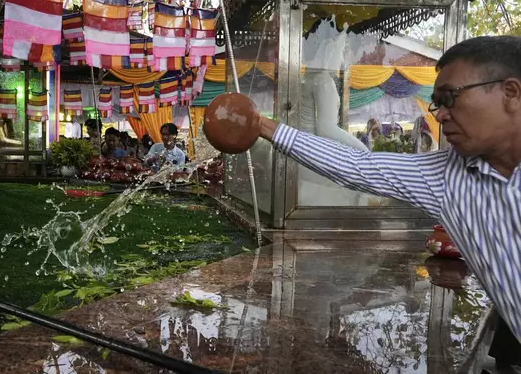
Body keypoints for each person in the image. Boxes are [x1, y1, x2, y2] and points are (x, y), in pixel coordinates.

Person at [213, 36, 521, 361]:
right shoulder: (446, 176)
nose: (441, 115)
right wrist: (262, 126)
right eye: (436, 103)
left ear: (510, 93)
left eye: (451, 98)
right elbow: (357, 166)